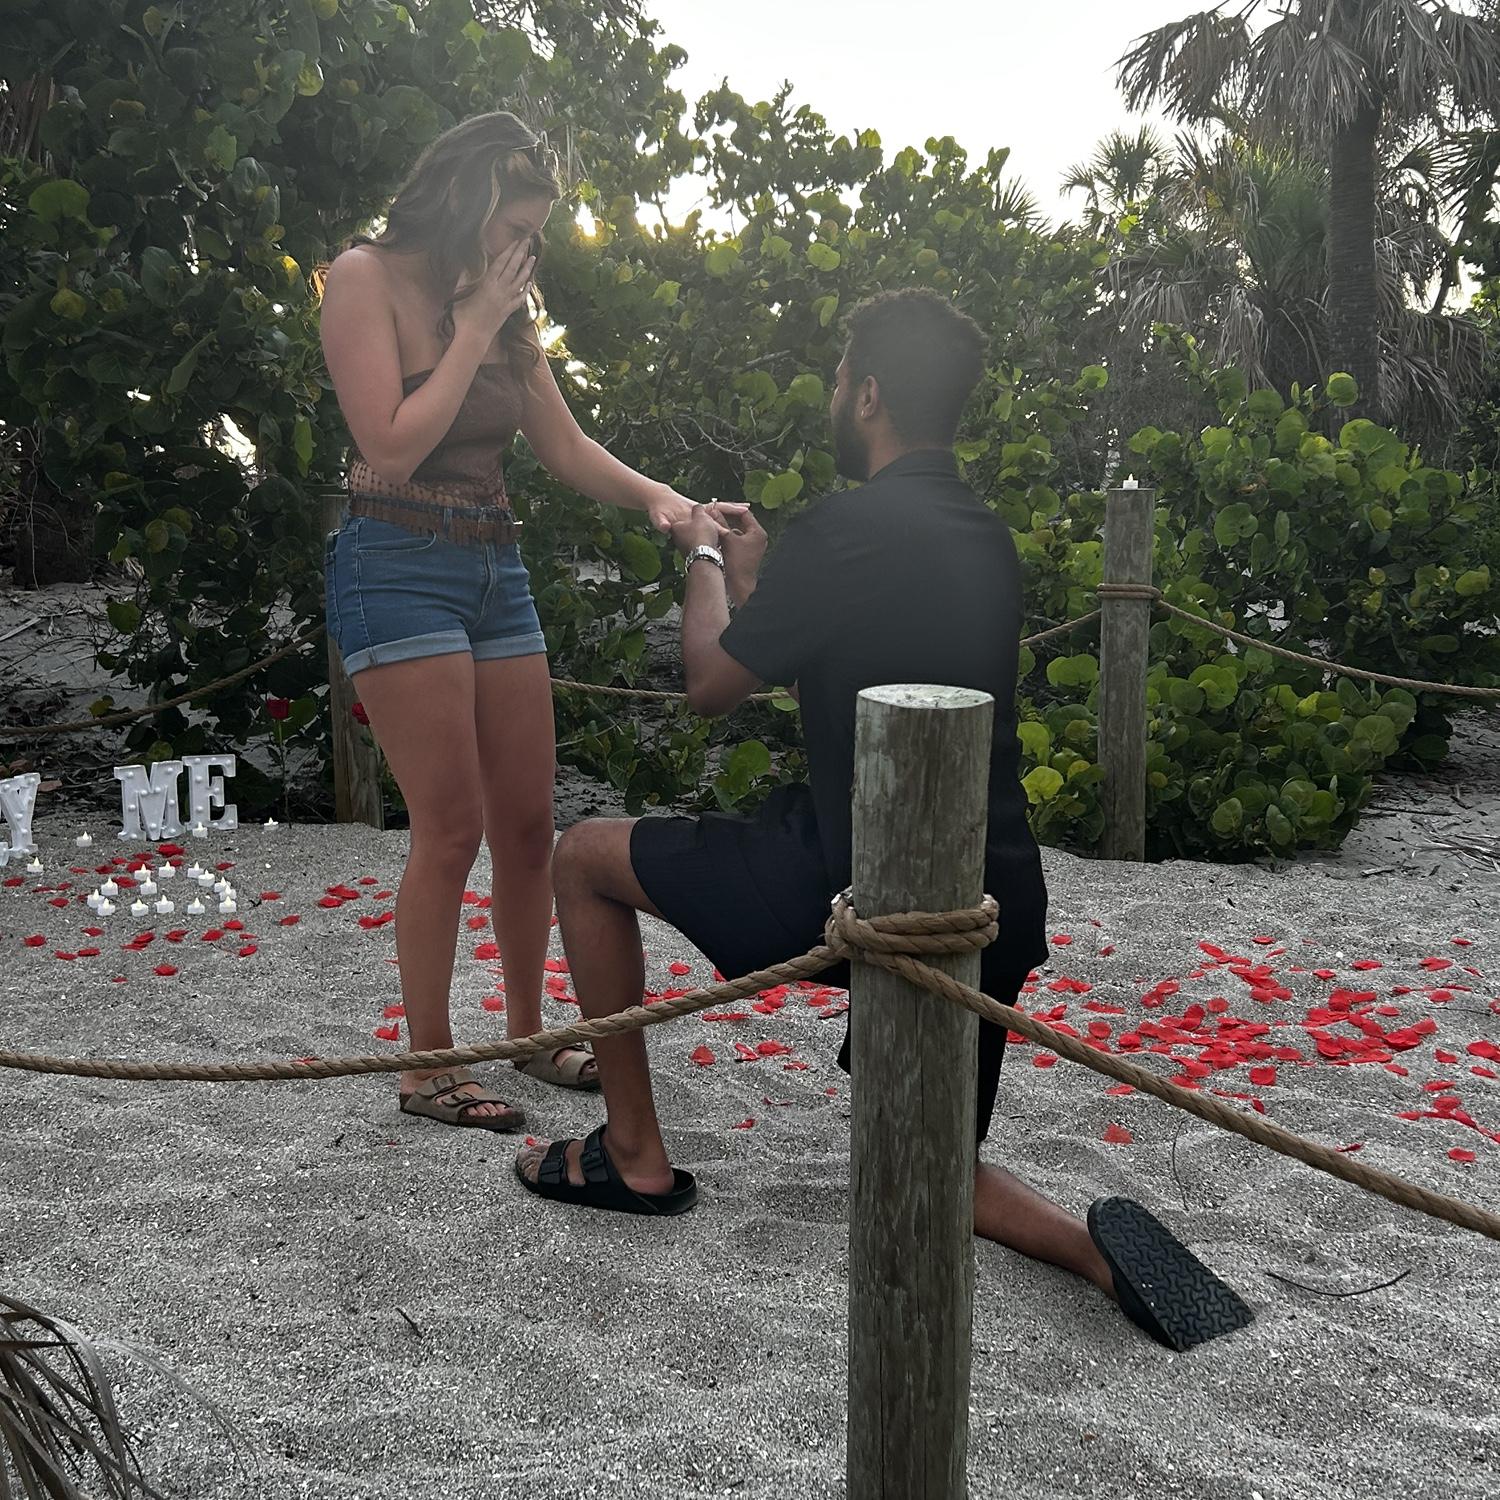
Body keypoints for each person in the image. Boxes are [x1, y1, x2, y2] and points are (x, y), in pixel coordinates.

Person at [515, 288, 1255, 1351]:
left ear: (866, 394)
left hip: (857, 886)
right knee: (932, 1170)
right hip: (989, 897)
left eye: (837, 379)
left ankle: (631, 1155)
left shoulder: (844, 528)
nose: (833, 395)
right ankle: (1094, 1255)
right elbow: (838, 655)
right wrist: (766, 581)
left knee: (582, 857)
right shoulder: (981, 535)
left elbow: (712, 683)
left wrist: (707, 558)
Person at [319, 111, 696, 1131]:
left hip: (496, 566)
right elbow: (390, 447)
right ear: (466, 202)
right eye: (514, 228)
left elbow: (566, 449)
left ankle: (526, 1033)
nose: (524, 252)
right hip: (397, 561)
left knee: (529, 828)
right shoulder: (362, 277)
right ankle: (427, 1065)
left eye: (533, 234)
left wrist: (665, 500)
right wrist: (477, 324)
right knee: (450, 828)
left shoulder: (506, 310)